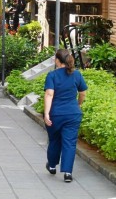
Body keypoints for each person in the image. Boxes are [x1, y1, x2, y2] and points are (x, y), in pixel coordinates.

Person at [43, 49, 87, 183]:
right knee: (69, 143)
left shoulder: (52, 75)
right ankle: (68, 173)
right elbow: (83, 93)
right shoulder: (77, 74)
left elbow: (49, 94)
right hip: (73, 114)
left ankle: (51, 166)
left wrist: (46, 114)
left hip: (56, 114)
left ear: (57, 60)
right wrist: (78, 104)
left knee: (54, 140)